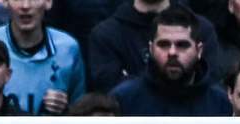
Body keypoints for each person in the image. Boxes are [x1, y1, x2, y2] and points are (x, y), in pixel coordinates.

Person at [0, 1, 84, 115]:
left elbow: (80, 109)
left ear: (48, 2)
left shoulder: (68, 48)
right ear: (5, 2)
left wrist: (66, 109)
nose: (25, 6)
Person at [111, 8, 231, 116]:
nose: (172, 53)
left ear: (199, 50)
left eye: (182, 45)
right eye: (164, 44)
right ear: (151, 49)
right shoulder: (124, 99)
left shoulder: (220, 103)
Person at [87, 0, 221, 93]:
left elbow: (209, 85)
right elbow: (111, 94)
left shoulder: (201, 29)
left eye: (181, 45)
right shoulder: (106, 34)